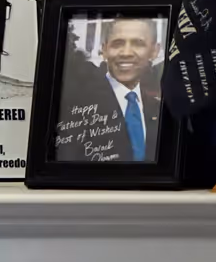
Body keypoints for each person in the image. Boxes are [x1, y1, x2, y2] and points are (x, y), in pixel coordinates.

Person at [53, 16, 163, 162]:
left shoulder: (158, 108)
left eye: (138, 43)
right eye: (117, 44)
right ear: (104, 49)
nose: (126, 53)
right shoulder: (74, 105)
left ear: (154, 51)